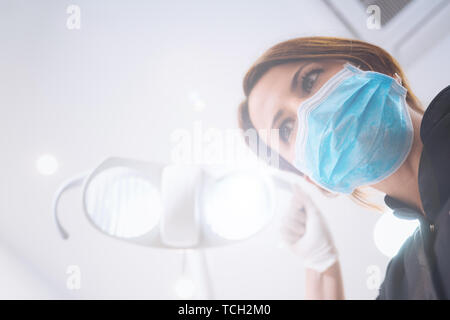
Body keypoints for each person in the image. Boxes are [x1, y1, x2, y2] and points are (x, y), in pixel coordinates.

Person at [237, 37, 450, 299]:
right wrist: (323, 266)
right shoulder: (402, 282)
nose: (308, 111)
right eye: (286, 128)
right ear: (314, 179)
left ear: (369, 65)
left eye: (309, 80)